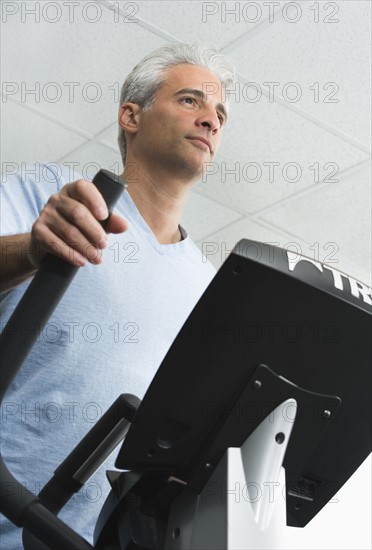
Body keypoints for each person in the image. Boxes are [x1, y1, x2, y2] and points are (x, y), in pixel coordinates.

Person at [0, 42, 236, 548]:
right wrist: (35, 248)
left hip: (101, 536)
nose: (211, 121)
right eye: (191, 101)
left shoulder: (209, 285)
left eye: (219, 113)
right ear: (131, 115)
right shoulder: (49, 192)